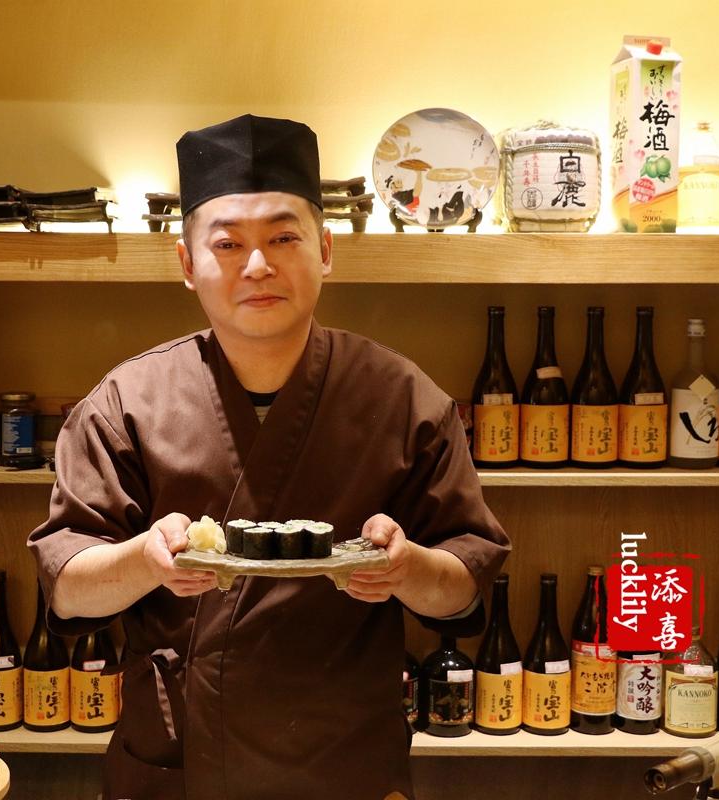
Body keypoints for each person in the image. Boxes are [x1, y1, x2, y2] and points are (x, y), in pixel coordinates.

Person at [28, 114, 510, 800]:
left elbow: (463, 588)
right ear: (186, 264)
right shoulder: (127, 403)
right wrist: (146, 560)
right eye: (228, 244)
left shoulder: (403, 398)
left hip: (345, 761)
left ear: (326, 250)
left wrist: (407, 569)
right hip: (183, 762)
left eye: (284, 237)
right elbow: (67, 587)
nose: (257, 266)